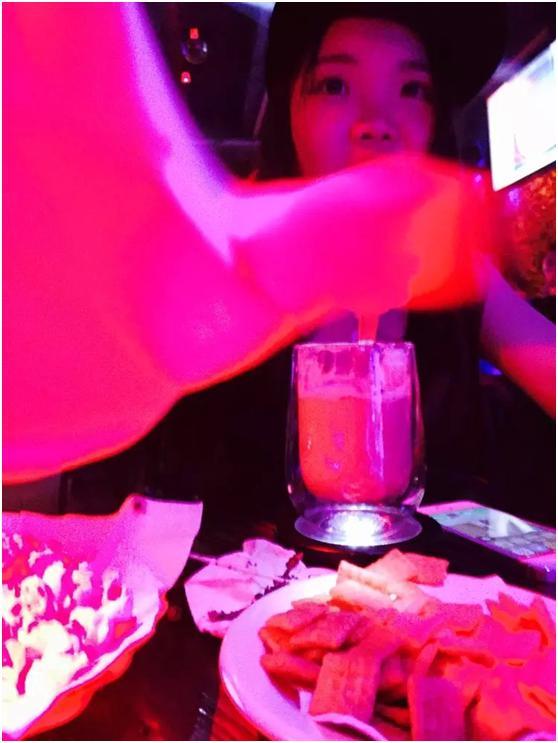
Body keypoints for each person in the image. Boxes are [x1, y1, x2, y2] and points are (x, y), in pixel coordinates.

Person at [63, 2, 554, 524]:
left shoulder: (459, 271)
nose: (377, 124)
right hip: (226, 574)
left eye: (413, 90)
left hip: (430, 574)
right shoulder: (220, 261)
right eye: (335, 85)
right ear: (288, 110)